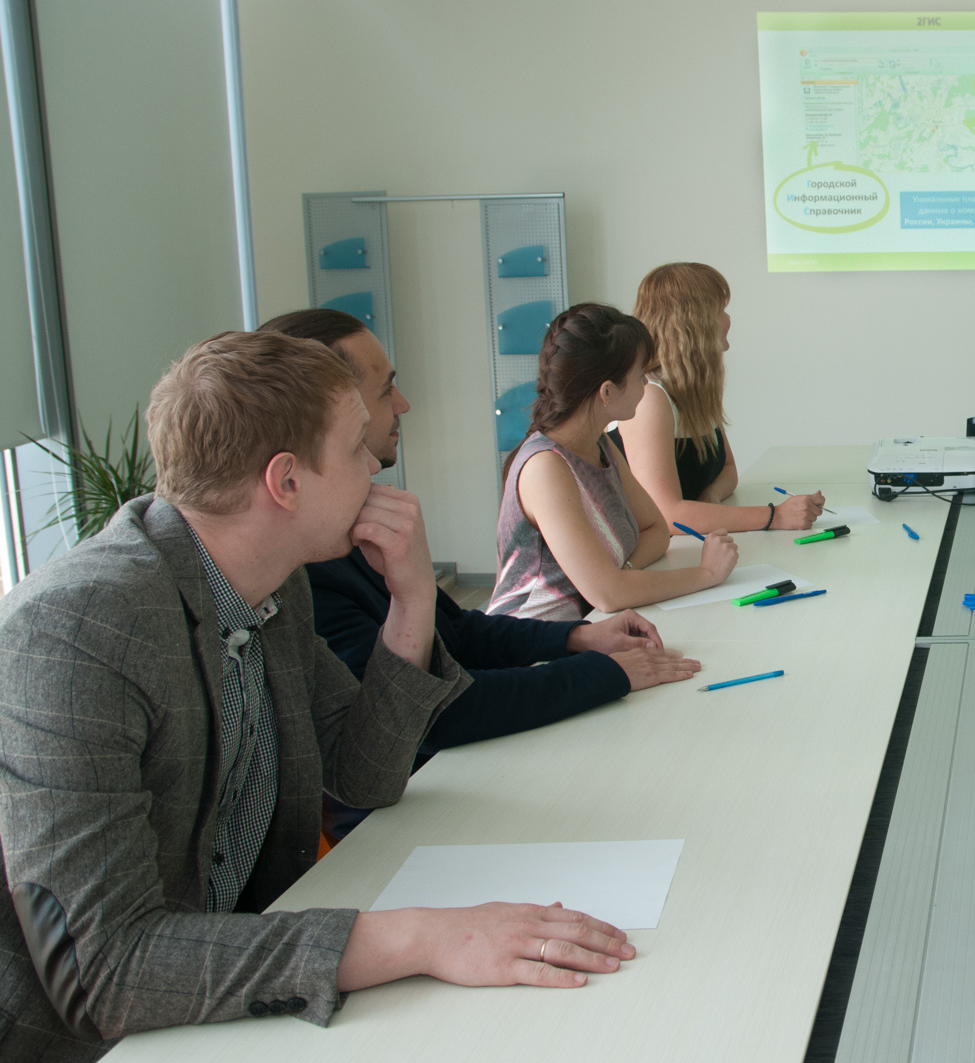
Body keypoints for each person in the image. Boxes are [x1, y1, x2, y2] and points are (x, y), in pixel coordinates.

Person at [0, 333, 636, 1060]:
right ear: (287, 483)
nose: (375, 466)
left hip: (234, 1002)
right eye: (354, 449)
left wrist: (412, 603)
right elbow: (102, 972)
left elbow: (364, 774)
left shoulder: (274, 586)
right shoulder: (74, 632)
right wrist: (419, 935)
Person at [262, 310, 702, 765]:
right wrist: (603, 670)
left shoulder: (344, 534)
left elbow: (457, 634)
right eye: (384, 390)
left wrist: (576, 640)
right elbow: (438, 712)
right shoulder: (303, 570)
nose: (404, 404)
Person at [491, 303, 738, 623]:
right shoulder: (545, 468)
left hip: (592, 629)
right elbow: (608, 594)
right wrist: (706, 573)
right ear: (607, 392)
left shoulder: (599, 443)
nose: (647, 384)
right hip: (534, 650)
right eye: (639, 375)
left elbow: (656, 530)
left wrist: (624, 575)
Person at [620, 262, 824, 535]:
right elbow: (666, 515)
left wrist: (710, 503)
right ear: (693, 323)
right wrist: (775, 516)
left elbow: (727, 471)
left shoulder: (692, 390)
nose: (728, 320)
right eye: (721, 311)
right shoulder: (649, 398)